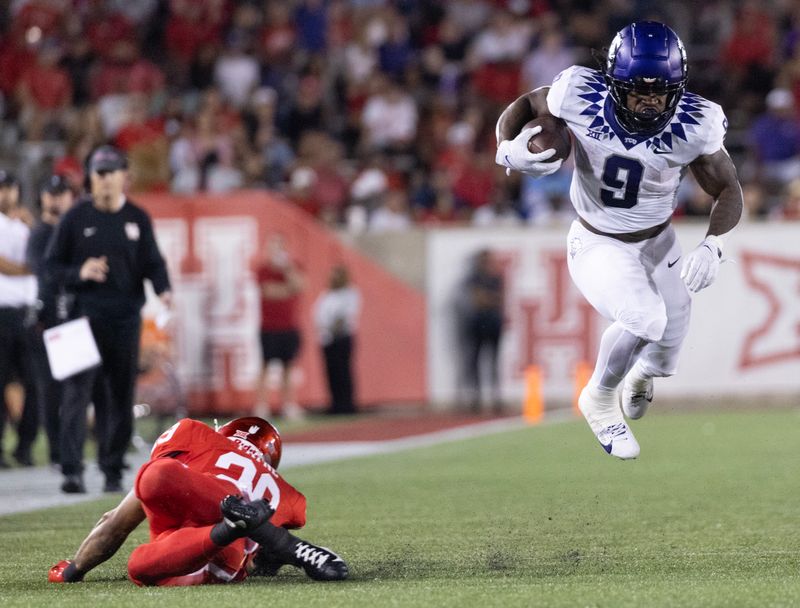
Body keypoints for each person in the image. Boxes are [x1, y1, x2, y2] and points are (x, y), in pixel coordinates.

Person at [495, 21, 743, 459]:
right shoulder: (577, 91)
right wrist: (505, 147)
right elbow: (527, 103)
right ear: (612, 82)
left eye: (660, 93)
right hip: (597, 240)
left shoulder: (696, 122)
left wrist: (714, 243)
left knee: (665, 358)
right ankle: (598, 397)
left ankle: (639, 375)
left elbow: (728, 188)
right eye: (637, 91)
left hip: (659, 241)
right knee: (645, 320)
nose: (649, 103)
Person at [48, 416, 349, 585]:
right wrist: (276, 553)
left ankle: (241, 526)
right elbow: (255, 563)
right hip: (219, 565)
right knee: (137, 564)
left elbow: (114, 523)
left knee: (156, 475)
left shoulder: (194, 436)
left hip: (186, 552)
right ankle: (267, 537)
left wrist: (75, 569)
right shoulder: (283, 493)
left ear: (226, 432)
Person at [45, 145, 172, 493]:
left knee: (119, 394)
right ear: (90, 178)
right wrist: (79, 271)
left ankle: (112, 467)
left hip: (125, 318)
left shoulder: (136, 218)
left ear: (124, 177)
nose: (103, 180)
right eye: (98, 174)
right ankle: (72, 470)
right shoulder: (75, 218)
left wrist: (163, 289)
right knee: (77, 394)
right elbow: (51, 267)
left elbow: (153, 262)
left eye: (110, 172)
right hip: (82, 318)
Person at [25, 174, 76, 467]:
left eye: (61, 193)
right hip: (48, 318)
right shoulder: (41, 233)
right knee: (51, 388)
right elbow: (45, 273)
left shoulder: (74, 229)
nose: (56, 199)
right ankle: (57, 450)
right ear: (43, 198)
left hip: (73, 317)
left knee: (77, 389)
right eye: (51, 193)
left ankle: (69, 448)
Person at [0, 170, 37, 468]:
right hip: (2, 311)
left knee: (34, 382)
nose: (6, 194)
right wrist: (28, 269)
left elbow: (41, 254)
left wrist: (32, 227)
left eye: (9, 188)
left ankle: (25, 446)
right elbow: (4, 264)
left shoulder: (23, 224)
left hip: (27, 311)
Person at [254, 234, 305, 420]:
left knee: (288, 367)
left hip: (289, 325)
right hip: (269, 326)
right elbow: (269, 292)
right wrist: (288, 290)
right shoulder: (263, 270)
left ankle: (289, 405)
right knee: (265, 367)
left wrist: (288, 269)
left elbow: (300, 286)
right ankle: (262, 406)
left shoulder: (292, 266)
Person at [460, 250, 505, 414]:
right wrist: (489, 299)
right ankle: (476, 399)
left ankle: (494, 398)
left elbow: (490, 299)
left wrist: (486, 298)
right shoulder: (476, 278)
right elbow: (478, 299)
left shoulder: (493, 278)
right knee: (475, 362)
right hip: (478, 323)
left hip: (491, 323)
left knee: (492, 363)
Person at [313, 264, 361, 415]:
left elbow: (343, 316)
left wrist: (331, 330)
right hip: (326, 339)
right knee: (331, 372)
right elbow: (318, 314)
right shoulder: (327, 294)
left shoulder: (350, 293)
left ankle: (347, 404)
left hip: (341, 337)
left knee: (343, 371)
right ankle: (335, 404)